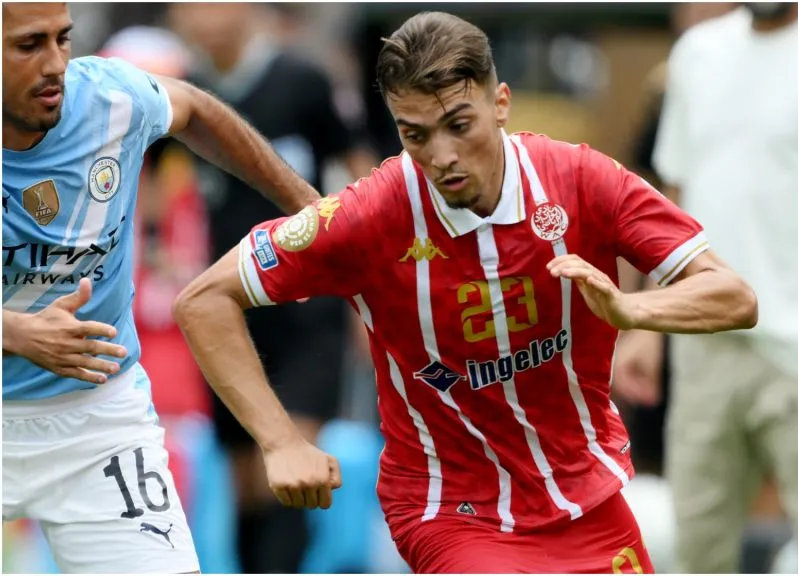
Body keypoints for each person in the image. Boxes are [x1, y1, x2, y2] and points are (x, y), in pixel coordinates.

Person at [173, 10, 758, 574]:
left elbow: (733, 295)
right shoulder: (369, 216)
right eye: (415, 135)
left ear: (500, 102)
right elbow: (204, 299)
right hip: (451, 511)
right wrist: (279, 442)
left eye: (458, 124)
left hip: (585, 496)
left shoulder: (580, 179)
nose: (442, 156)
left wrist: (631, 308)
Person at [1, 3, 339, 573]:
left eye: (63, 39)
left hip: (97, 420)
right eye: (30, 45)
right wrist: (14, 331)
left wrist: (315, 214)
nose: (57, 63)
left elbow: (196, 109)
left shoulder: (108, 99)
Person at [615, 2, 798, 573]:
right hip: (705, 348)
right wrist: (648, 327)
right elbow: (671, 200)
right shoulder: (696, 55)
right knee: (696, 552)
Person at [166, 3, 378, 571]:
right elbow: (150, 187)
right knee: (243, 483)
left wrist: (373, 288)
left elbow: (362, 173)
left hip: (307, 311)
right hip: (228, 311)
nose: (198, 15)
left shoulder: (302, 82)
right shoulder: (182, 94)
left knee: (291, 460)